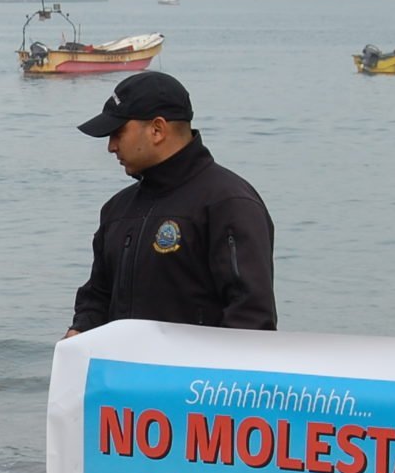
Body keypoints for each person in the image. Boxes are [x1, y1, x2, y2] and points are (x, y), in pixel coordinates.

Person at [68, 70, 277, 338]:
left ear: (157, 129)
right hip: (123, 374)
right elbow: (97, 294)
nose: (111, 146)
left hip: (196, 376)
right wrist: (80, 330)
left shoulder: (228, 203)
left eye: (117, 133)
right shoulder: (117, 209)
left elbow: (251, 317)